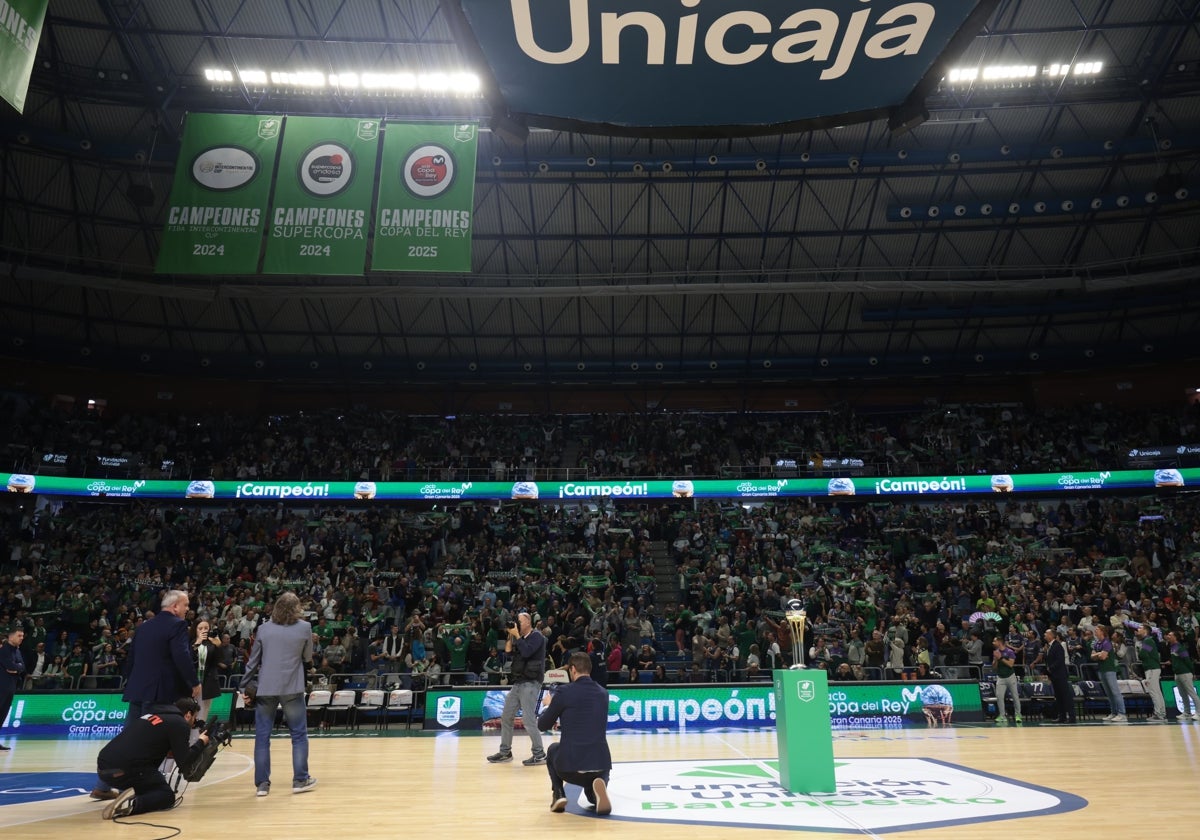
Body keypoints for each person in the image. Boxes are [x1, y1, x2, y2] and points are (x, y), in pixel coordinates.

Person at [93, 590, 199, 801]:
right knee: (148, 742)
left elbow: (131, 659)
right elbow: (181, 655)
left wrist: (132, 683)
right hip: (158, 692)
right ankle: (131, 789)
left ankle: (103, 785)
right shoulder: (177, 625)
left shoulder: (144, 626)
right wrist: (193, 682)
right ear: (175, 606)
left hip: (137, 689)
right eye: (186, 605)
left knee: (128, 736)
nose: (188, 609)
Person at [243, 591, 317, 796]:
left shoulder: (263, 629)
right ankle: (300, 780)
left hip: (266, 688)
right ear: (297, 609)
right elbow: (308, 657)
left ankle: (262, 785)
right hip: (292, 687)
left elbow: (253, 661)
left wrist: (243, 687)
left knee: (262, 737)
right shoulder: (305, 628)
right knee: (299, 735)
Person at [95, 696, 212, 820]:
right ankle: (131, 803)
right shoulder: (179, 723)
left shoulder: (152, 715)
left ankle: (131, 796)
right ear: (188, 714)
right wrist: (200, 742)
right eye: (194, 717)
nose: (194, 722)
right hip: (126, 770)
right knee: (166, 795)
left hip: (103, 769)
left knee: (150, 784)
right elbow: (184, 763)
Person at [537, 652, 612, 816]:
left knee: (552, 750)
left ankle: (559, 794)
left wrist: (549, 705)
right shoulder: (603, 693)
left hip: (572, 766)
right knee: (591, 792)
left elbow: (542, 725)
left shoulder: (564, 692)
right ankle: (596, 792)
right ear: (590, 670)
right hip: (601, 764)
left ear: (572, 670)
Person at [486, 612, 547, 765]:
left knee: (528, 719)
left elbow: (527, 652)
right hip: (518, 683)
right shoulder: (519, 637)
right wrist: (511, 635)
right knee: (506, 716)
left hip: (531, 682)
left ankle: (539, 754)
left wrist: (517, 636)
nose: (517, 624)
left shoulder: (537, 636)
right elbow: (507, 651)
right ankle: (505, 752)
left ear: (527, 622)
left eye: (519, 621)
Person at [1091, 625, 1126, 723]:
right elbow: (1092, 656)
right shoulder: (1097, 643)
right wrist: (1099, 654)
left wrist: (1098, 655)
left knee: (1115, 692)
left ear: (1102, 631)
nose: (1095, 630)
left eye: (1097, 629)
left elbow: (1103, 657)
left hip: (1110, 669)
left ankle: (1122, 714)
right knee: (1109, 693)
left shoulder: (1107, 642)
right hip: (1101, 670)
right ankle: (1113, 713)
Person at [191, 619, 223, 722]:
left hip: (207, 682)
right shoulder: (189, 642)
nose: (203, 631)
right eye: (200, 628)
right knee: (190, 711)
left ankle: (199, 736)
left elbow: (218, 661)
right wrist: (197, 643)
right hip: (191, 682)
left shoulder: (212, 643)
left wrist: (218, 646)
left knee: (203, 712)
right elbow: (187, 660)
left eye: (206, 628)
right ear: (195, 630)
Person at [0, 626, 26, 749]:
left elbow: (22, 667)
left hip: (10, 688)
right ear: (11, 636)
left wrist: (16, 668)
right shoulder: (4, 649)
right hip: (2, 687)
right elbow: (10, 665)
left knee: (2, 715)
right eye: (19, 635)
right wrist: (16, 667)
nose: (22, 638)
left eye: (22, 636)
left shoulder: (17, 650)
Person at [1135, 625, 1166, 722]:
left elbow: (1142, 655)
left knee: (1153, 691)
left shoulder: (1147, 641)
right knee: (1157, 691)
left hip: (1151, 669)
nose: (1137, 630)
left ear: (1145, 631)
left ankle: (1158, 714)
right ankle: (1161, 713)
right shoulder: (1149, 640)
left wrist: (1139, 650)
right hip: (1154, 668)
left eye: (1140, 628)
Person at [1043, 629, 1075, 724]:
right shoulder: (1049, 646)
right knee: (1059, 697)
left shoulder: (1058, 646)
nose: (1044, 635)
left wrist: (1050, 668)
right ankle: (1062, 716)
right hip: (1054, 675)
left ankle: (1072, 717)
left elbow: (1060, 660)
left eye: (1046, 633)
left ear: (1051, 635)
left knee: (1065, 696)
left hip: (1060, 675)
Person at [1166, 631, 1199, 720]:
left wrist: (1193, 672)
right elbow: (1177, 659)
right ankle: (1187, 712)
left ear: (1175, 637)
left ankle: (1199, 713)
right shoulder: (1172, 647)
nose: (1167, 636)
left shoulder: (1180, 648)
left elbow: (1187, 660)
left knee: (1192, 693)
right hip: (1177, 674)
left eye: (1170, 635)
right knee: (1182, 694)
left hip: (1185, 673)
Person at [992, 636, 1022, 723]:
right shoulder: (996, 652)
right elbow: (994, 667)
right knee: (999, 696)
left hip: (1010, 677)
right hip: (1000, 677)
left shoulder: (1009, 652)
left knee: (1015, 696)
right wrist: (996, 660)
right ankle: (1002, 716)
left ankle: (1018, 715)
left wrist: (1001, 658)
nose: (993, 643)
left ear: (999, 642)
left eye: (994, 641)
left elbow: (1010, 664)